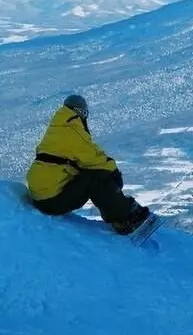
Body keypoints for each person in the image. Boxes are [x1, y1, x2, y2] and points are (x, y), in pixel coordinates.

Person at [26, 95, 150, 234]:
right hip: (51, 201)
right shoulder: (71, 128)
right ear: (81, 112)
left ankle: (120, 208)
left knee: (88, 174)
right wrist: (114, 172)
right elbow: (93, 157)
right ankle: (124, 218)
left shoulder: (58, 127)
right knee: (96, 177)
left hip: (41, 195)